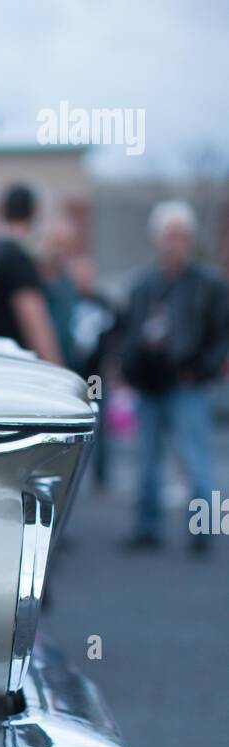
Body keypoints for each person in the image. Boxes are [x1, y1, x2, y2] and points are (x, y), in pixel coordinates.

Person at [120, 200, 229, 551]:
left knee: (195, 458)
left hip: (188, 384)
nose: (175, 243)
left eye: (181, 236)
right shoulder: (143, 285)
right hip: (150, 384)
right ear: (157, 239)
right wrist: (131, 369)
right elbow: (128, 332)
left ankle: (202, 531)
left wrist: (201, 371)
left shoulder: (208, 284)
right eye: (169, 235)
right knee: (147, 460)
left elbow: (221, 335)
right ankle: (147, 528)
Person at [0, 184, 63, 364]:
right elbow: (35, 323)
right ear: (34, 212)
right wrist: (58, 371)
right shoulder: (17, 258)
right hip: (20, 366)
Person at [69, 255, 118, 489]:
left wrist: (110, 360)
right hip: (72, 374)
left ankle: (101, 476)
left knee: (98, 421)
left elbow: (114, 335)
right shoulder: (67, 301)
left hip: (95, 374)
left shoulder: (103, 303)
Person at [39, 218, 78, 368]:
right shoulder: (34, 281)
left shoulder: (68, 281)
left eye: (65, 246)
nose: (59, 252)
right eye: (56, 244)